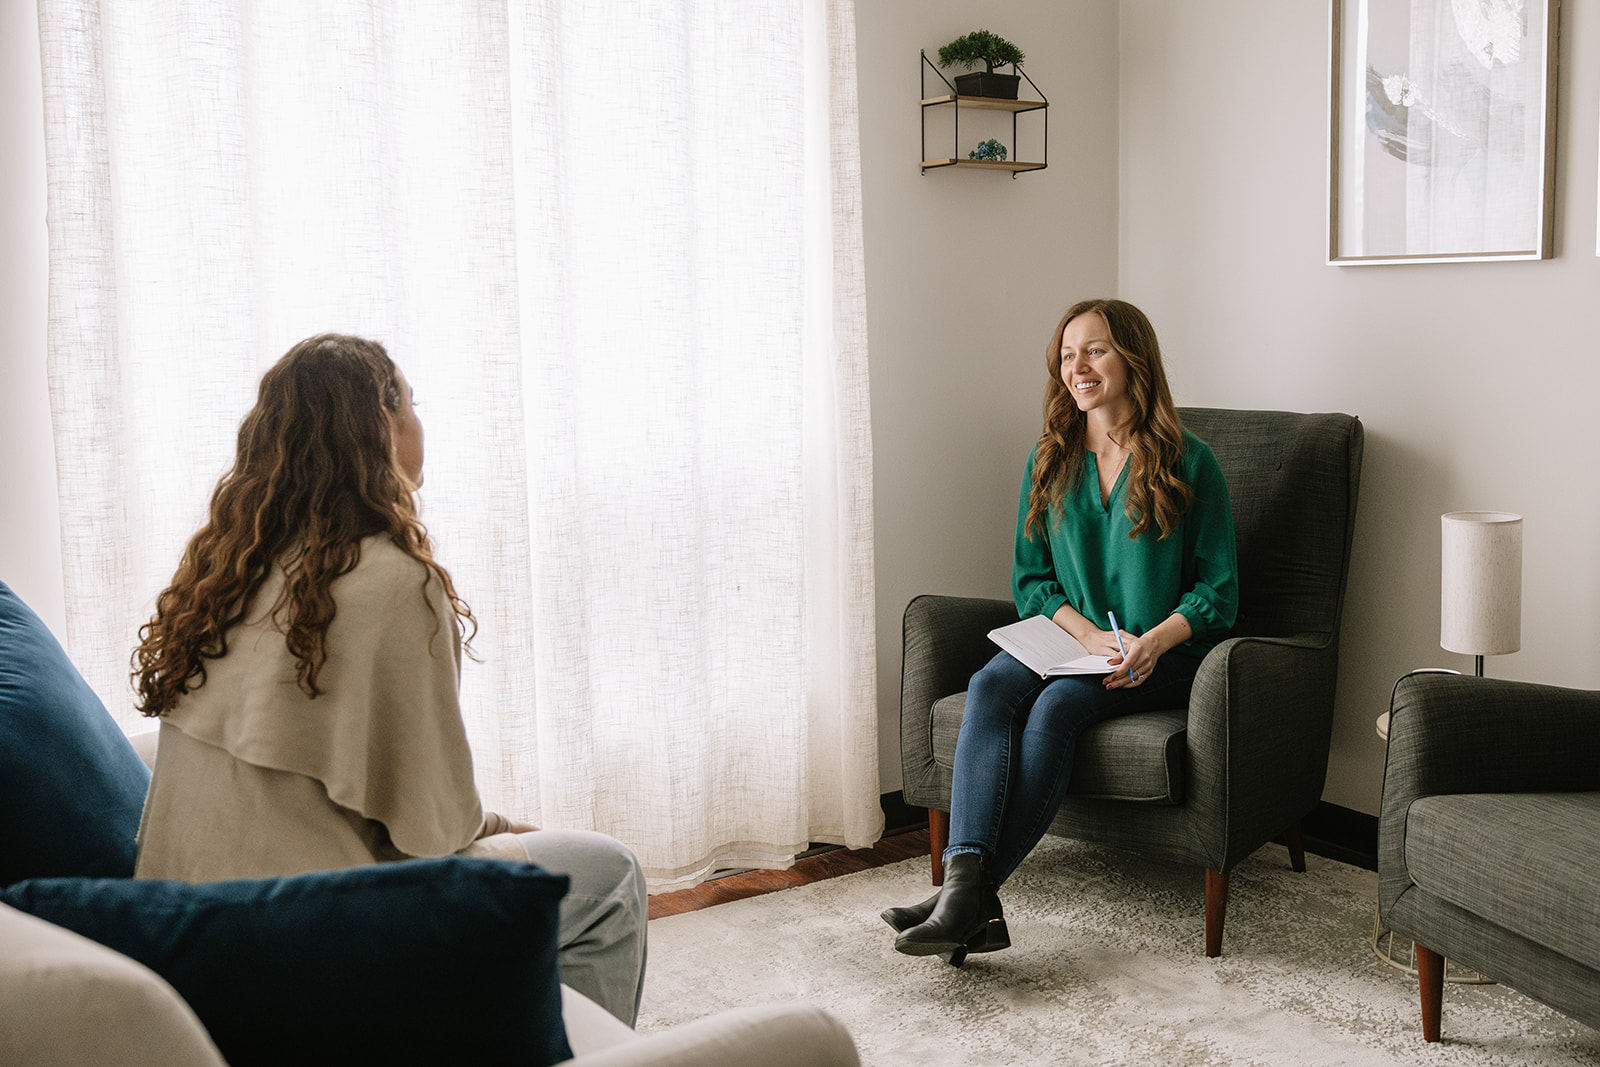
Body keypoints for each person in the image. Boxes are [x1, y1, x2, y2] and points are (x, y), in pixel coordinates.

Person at [131, 333, 647, 1023]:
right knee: (609, 877)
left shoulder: (229, 571)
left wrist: (489, 826)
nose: (420, 423)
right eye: (412, 403)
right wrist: (495, 825)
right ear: (380, 423)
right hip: (320, 936)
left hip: (188, 934)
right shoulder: (395, 582)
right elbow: (432, 836)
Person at [885, 299, 1238, 959]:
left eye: (1095, 350)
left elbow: (1218, 592)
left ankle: (963, 899)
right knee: (990, 684)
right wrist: (1083, 634)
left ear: (1133, 358)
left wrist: (1150, 640)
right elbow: (1032, 580)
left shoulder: (1192, 463)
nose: (1077, 366)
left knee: (1056, 709)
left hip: (1159, 655)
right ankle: (967, 890)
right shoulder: (1051, 459)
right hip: (1075, 641)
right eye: (1068, 354)